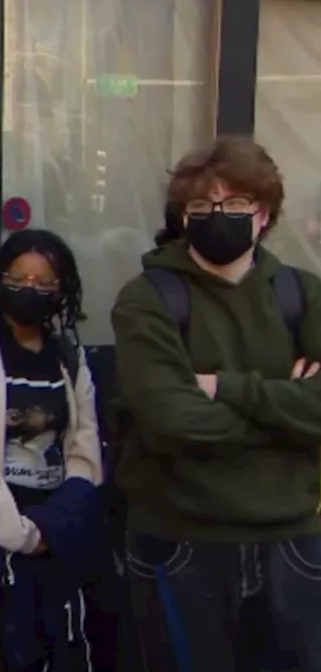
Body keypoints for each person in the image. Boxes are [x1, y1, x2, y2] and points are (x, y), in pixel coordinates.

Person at [112, 136, 321, 672]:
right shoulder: (148, 300)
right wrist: (289, 412)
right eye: (200, 207)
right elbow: (173, 423)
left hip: (292, 544)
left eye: (233, 205)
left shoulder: (303, 295)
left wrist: (227, 388)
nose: (216, 217)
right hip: (182, 544)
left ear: (264, 212)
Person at [0, 228, 104, 672]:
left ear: (62, 289)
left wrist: (58, 522)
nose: (32, 289)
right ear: (0, 279)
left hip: (56, 539)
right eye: (20, 277)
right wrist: (20, 533)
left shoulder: (68, 354)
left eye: (45, 282)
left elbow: (85, 442)